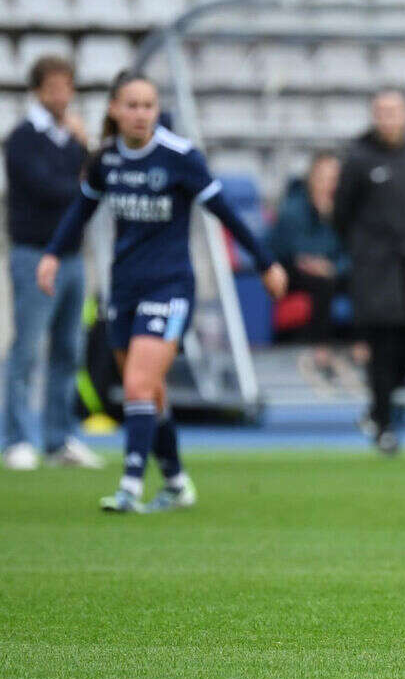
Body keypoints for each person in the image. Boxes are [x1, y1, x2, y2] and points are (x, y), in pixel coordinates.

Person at [38, 71, 287, 512]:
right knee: (151, 395)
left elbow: (223, 210)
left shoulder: (179, 156)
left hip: (171, 286)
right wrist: (53, 254)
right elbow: (81, 210)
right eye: (131, 105)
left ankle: (130, 486)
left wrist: (265, 262)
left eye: (148, 106)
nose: (140, 114)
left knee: (136, 384)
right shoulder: (106, 160)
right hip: (125, 288)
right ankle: (175, 481)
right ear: (114, 109)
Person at [3, 55, 103, 471]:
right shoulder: (22, 138)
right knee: (27, 348)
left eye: (67, 86)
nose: (61, 95)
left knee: (68, 348)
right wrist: (81, 180)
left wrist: (87, 148)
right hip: (34, 254)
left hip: (73, 257)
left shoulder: (73, 139)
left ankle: (59, 437)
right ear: (39, 90)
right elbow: (47, 188)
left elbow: (100, 182)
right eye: (54, 86)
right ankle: (16, 437)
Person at [333, 89, 405, 455]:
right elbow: (341, 214)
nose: (388, 117)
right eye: (381, 111)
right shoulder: (359, 160)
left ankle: (379, 409)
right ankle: (384, 423)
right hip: (375, 269)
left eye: (394, 111)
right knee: (382, 346)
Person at [267, 150, 351, 386]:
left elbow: (352, 250)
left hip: (330, 269)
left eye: (334, 178)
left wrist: (335, 266)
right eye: (324, 177)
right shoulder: (294, 208)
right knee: (322, 283)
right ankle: (320, 351)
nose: (329, 183)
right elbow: (291, 249)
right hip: (290, 270)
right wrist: (319, 262)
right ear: (311, 177)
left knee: (365, 277)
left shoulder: (344, 211)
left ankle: (363, 348)